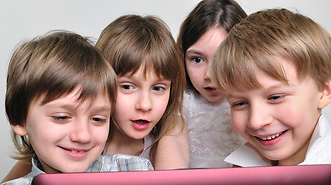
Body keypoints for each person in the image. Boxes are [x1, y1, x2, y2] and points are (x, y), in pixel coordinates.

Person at [0, 30, 153, 185]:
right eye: (61, 117)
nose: (83, 136)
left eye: (98, 119)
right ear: (18, 119)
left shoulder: (136, 174)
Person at [211, 8, 331, 167]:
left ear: (324, 91)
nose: (256, 122)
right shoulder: (238, 172)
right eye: (240, 103)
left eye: (275, 97)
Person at [96, 15, 190, 170]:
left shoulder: (170, 127)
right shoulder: (87, 135)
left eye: (158, 88)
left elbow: (172, 184)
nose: (145, 105)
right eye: (127, 87)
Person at [177, 0, 246, 168]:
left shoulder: (255, 102)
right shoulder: (181, 103)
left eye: (222, 59)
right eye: (197, 59)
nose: (210, 75)